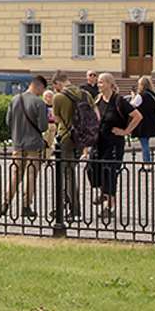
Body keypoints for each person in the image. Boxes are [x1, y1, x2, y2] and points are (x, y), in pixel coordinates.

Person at [0, 75, 49, 219]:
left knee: (15, 174)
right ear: (39, 86)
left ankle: (5, 203)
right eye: (43, 89)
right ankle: (26, 206)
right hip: (33, 145)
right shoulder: (39, 103)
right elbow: (43, 126)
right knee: (31, 175)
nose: (42, 92)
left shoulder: (15, 99)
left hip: (18, 144)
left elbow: (8, 121)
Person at [89, 72, 133, 223]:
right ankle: (104, 193)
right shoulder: (98, 99)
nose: (98, 84)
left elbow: (138, 116)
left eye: (101, 82)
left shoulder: (119, 101)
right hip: (99, 141)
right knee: (92, 168)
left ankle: (110, 206)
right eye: (98, 82)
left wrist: (126, 131)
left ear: (109, 83)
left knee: (110, 173)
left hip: (114, 142)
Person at [46, 73, 91, 220]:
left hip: (66, 138)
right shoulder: (85, 94)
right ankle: (63, 205)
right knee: (68, 173)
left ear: (58, 83)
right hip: (81, 138)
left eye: (55, 86)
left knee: (67, 175)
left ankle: (75, 209)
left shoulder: (58, 97)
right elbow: (94, 114)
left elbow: (56, 118)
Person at [130, 74, 155, 162]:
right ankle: (147, 161)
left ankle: (147, 162)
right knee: (146, 142)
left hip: (143, 122)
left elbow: (131, 105)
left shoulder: (141, 95)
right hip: (151, 121)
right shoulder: (153, 95)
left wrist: (133, 96)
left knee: (144, 143)